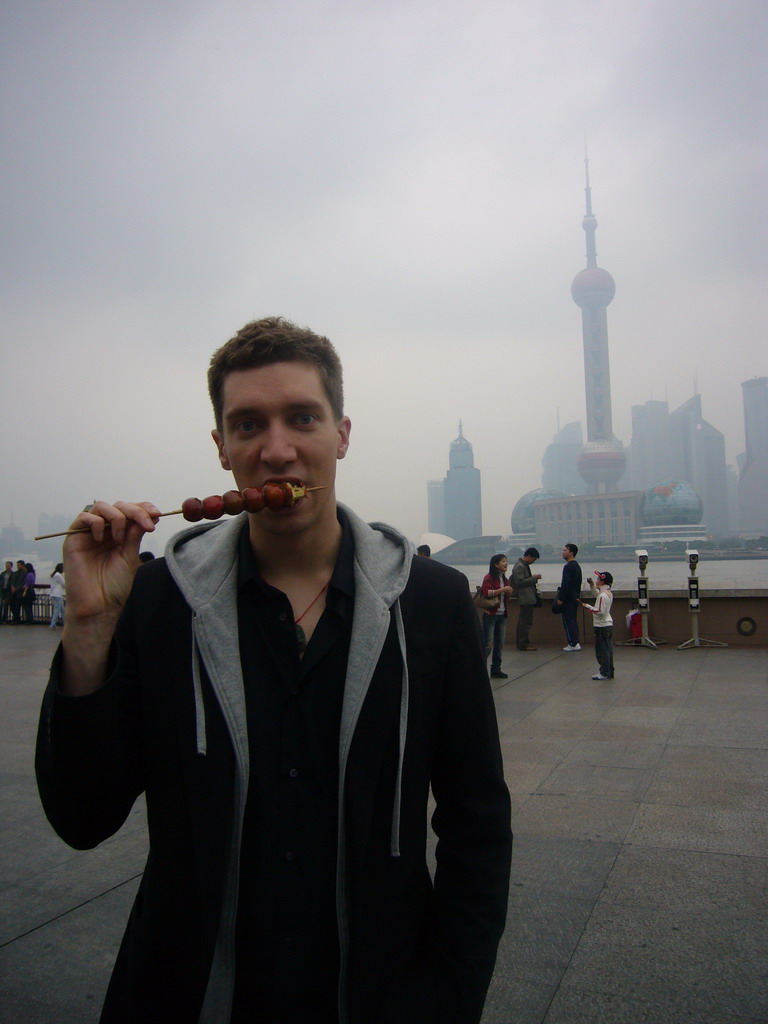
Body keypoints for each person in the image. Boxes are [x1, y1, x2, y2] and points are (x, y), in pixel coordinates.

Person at [35, 316, 512, 1024]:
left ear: (342, 434)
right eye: (249, 425)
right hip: (188, 994)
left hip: (376, 996)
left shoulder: (433, 603)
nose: (277, 450)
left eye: (302, 418)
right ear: (222, 447)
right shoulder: (162, 602)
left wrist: (449, 996)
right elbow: (82, 818)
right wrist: (89, 630)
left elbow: (477, 824)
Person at [480, 553, 514, 679]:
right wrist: (503, 590)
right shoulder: (489, 578)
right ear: (496, 564)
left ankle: (496, 669)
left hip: (502, 615)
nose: (506, 563)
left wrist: (508, 591)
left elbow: (504, 596)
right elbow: (487, 592)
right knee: (487, 644)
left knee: (499, 644)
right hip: (490, 615)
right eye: (503, 561)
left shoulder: (504, 579)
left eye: (506, 561)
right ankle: (479, 669)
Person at [580, 571, 614, 679]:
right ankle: (609, 671)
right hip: (608, 624)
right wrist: (592, 586)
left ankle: (604, 672)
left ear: (602, 581)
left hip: (601, 626)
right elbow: (598, 595)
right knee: (608, 650)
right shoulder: (608, 593)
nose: (596, 580)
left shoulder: (603, 596)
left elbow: (600, 611)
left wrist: (587, 606)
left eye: (598, 579)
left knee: (602, 651)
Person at [511, 547, 541, 651]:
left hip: (528, 598)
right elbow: (520, 582)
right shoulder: (519, 566)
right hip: (525, 598)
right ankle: (523, 644)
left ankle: (523, 643)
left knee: (525, 622)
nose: (533, 561)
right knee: (525, 622)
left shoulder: (523, 566)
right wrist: (534, 578)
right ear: (528, 556)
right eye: (533, 559)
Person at [554, 543, 582, 651]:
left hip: (568, 599)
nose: (563, 552)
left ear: (571, 553)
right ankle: (575, 641)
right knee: (573, 620)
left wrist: (561, 598)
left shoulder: (568, 567)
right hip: (575, 597)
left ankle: (572, 643)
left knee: (568, 620)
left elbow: (565, 584)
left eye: (565, 550)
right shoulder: (576, 566)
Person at [49, 563, 66, 628]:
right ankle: (52, 624)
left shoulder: (55, 574)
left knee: (62, 610)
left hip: (54, 594)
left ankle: (65, 623)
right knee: (57, 610)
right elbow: (64, 584)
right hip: (58, 594)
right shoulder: (58, 575)